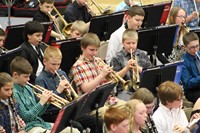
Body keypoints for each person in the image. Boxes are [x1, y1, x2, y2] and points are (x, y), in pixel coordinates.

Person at [35, 46, 103, 132]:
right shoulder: (40, 79)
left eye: (58, 64)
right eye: (53, 64)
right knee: (78, 127)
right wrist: (58, 90)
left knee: (97, 122)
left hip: (66, 110)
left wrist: (69, 91)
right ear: (44, 61)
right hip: (51, 114)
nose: (56, 67)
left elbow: (70, 96)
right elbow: (42, 105)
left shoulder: (62, 73)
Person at [10, 56, 79, 133]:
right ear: (15, 75)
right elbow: (27, 117)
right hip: (30, 128)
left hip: (41, 123)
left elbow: (39, 114)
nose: (28, 79)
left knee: (74, 131)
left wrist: (46, 102)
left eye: (29, 76)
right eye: (25, 77)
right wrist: (41, 102)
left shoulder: (27, 88)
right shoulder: (13, 93)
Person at [71, 33, 126, 118]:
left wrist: (110, 75)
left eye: (96, 50)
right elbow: (86, 89)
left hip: (106, 99)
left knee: (128, 107)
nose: (94, 53)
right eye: (91, 50)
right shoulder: (77, 66)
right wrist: (102, 75)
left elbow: (112, 80)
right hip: (89, 105)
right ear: (82, 48)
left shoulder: (98, 60)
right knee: (111, 115)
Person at [110, 29, 152, 101]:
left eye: (133, 43)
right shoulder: (116, 58)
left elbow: (151, 73)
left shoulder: (143, 54)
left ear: (137, 42)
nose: (131, 46)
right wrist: (126, 68)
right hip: (124, 91)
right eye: (128, 43)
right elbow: (114, 78)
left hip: (142, 89)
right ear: (123, 43)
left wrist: (138, 68)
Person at [181, 32, 200, 103]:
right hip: (193, 91)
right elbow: (187, 83)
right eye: (192, 47)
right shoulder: (183, 62)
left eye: (197, 46)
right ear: (185, 47)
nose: (195, 50)